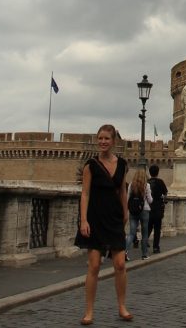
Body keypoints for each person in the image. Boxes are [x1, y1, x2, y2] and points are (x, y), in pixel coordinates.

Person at [75, 125, 132, 324]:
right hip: (95, 218)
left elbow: (122, 190)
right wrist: (84, 220)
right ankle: (89, 311)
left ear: (113, 141)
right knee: (94, 266)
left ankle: (122, 307)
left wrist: (125, 212)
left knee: (120, 264)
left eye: (106, 138)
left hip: (114, 218)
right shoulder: (90, 165)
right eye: (100, 138)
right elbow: (85, 194)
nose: (102, 142)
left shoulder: (122, 165)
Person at [125, 169, 153, 261]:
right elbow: (150, 200)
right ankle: (144, 255)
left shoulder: (131, 185)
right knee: (144, 234)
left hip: (133, 211)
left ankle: (125, 252)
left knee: (131, 233)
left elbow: (127, 199)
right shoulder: (146, 185)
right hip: (144, 210)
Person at [147, 164, 168, 254]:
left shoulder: (147, 182)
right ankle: (156, 247)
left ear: (149, 172)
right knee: (157, 229)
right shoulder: (160, 182)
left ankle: (145, 241)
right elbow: (165, 193)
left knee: (148, 227)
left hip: (148, 208)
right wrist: (164, 200)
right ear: (158, 172)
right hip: (158, 208)